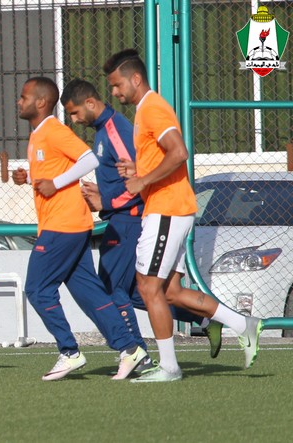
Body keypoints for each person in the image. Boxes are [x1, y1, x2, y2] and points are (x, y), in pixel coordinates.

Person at [103, 49, 262, 382]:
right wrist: (139, 170)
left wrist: (142, 180)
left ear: (135, 79)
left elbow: (178, 152)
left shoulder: (153, 108)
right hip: (170, 209)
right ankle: (243, 324)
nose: (114, 92)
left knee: (147, 287)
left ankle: (169, 367)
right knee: (171, 292)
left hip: (167, 209)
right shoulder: (144, 111)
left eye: (117, 85)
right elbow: (163, 157)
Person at [63, 79, 218, 366]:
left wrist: (106, 201)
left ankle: (137, 353)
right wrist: (103, 192)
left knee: (113, 288)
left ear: (90, 103)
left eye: (74, 112)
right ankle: (204, 318)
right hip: (123, 218)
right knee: (139, 292)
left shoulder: (116, 130)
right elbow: (126, 177)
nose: (73, 120)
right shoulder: (103, 131)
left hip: (130, 219)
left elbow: (138, 179)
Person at [12, 76, 142, 381]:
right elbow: (51, 172)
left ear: (40, 102)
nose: (19, 101)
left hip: (63, 224)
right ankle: (130, 349)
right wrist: (28, 177)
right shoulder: (38, 135)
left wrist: (56, 183)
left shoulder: (53, 130)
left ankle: (69, 352)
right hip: (70, 223)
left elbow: (88, 159)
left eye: (24, 97)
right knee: (89, 293)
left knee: (37, 289)